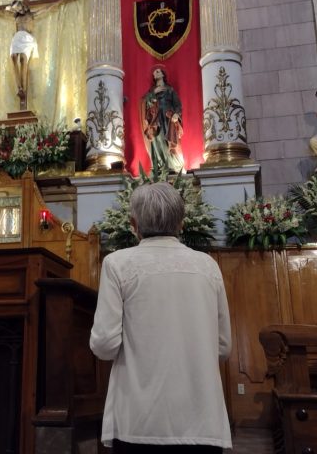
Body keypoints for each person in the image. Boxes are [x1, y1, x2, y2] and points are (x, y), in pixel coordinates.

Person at [90, 182, 232, 453]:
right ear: (181, 223)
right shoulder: (207, 266)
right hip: (201, 422)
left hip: (139, 422)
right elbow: (223, 347)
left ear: (134, 224)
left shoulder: (117, 264)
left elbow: (104, 345)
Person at [0, 0, 76, 111]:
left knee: (23, 59)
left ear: (23, 6)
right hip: (17, 38)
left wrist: (63, 0)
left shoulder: (32, 15)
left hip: (27, 39)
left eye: (18, 8)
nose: (17, 11)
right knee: (14, 57)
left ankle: (23, 88)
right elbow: (0, 13)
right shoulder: (16, 17)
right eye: (15, 9)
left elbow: (49, 8)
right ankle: (19, 88)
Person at [140, 64, 185, 173]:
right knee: (158, 140)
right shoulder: (151, 92)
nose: (156, 73)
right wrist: (152, 96)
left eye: (158, 71)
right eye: (154, 72)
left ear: (163, 74)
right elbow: (145, 103)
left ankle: (173, 165)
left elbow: (178, 105)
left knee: (169, 139)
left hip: (168, 118)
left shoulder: (170, 90)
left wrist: (176, 114)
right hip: (156, 120)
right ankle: (160, 166)